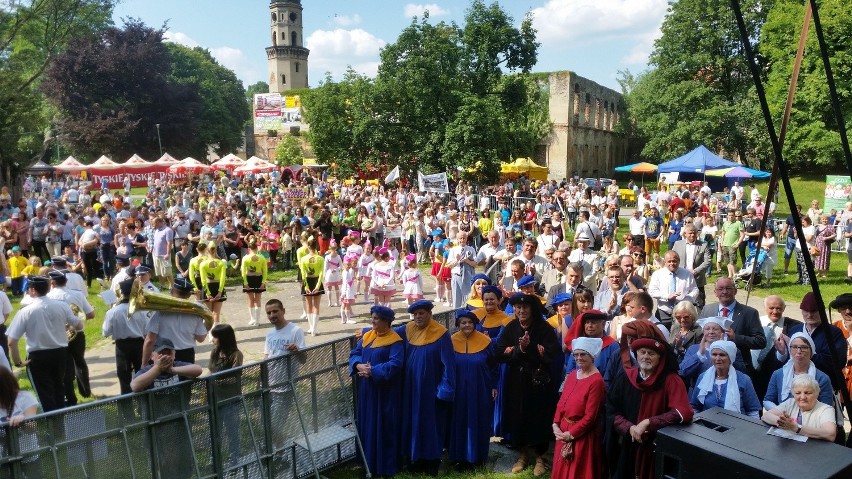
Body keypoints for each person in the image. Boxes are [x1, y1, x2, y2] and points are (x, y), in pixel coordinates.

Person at [606, 337, 693, 479]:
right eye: (642, 352)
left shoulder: (671, 380)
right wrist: (629, 428)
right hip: (628, 445)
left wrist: (649, 422)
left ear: (660, 357)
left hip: (656, 449)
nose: (646, 357)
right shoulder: (626, 377)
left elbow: (683, 412)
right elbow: (611, 409)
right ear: (636, 355)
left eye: (651, 354)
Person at [496, 293, 560, 477]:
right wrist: (519, 350)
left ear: (532, 309)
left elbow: (552, 353)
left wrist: (534, 350)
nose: (521, 311)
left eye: (525, 308)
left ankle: (541, 457)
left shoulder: (544, 328)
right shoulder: (511, 327)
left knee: (539, 416)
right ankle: (523, 454)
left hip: (539, 381)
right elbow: (500, 352)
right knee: (518, 415)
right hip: (516, 380)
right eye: (517, 307)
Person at [393, 299, 454, 476]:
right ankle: (415, 459)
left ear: (429, 314)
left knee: (431, 425)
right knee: (412, 423)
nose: (418, 317)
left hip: (431, 390)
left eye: (422, 313)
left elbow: (448, 365)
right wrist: (368, 331)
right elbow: (388, 332)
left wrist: (445, 390)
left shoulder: (441, 334)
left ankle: (432, 461)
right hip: (411, 388)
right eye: (416, 314)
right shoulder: (407, 329)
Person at [130, 337, 203, 478]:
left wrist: (173, 369)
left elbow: (198, 370)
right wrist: (158, 369)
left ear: (174, 354)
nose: (165, 356)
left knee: (180, 461)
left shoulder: (179, 366)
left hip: (179, 426)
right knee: (160, 464)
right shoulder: (147, 370)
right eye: (161, 354)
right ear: (152, 356)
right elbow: (135, 385)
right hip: (156, 428)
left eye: (168, 353)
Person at [7, 276, 82, 412]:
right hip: (60, 354)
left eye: (29, 288)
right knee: (59, 388)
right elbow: (79, 324)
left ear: (33, 290)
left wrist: (18, 362)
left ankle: (54, 428)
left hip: (38, 356)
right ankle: (60, 424)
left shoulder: (25, 312)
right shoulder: (62, 306)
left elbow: (12, 342)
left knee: (45, 394)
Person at [349, 305, 404, 478]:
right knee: (367, 423)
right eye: (372, 317)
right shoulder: (368, 336)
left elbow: (395, 364)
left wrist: (373, 370)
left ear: (386, 322)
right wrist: (358, 364)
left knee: (384, 425)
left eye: (376, 318)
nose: (372, 321)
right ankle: (368, 462)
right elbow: (355, 353)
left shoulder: (395, 341)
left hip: (384, 392)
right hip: (367, 390)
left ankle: (385, 465)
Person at [551, 337, 606, 479]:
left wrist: (571, 434)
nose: (578, 358)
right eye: (576, 355)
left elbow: (590, 416)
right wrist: (555, 424)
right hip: (563, 431)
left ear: (592, 356)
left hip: (581, 436)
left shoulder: (596, 381)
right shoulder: (571, 376)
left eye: (583, 354)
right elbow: (561, 402)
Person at [448, 310, 495, 470]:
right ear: (458, 325)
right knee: (458, 421)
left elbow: (493, 365)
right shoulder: (451, 342)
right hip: (458, 389)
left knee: (478, 420)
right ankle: (458, 456)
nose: (466, 325)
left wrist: (494, 385)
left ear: (475, 324)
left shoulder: (485, 342)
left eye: (469, 322)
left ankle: (478, 456)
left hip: (480, 388)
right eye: (463, 322)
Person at [46, 270, 95, 405]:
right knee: (80, 362)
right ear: (66, 281)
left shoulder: (48, 297)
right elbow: (91, 314)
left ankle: (70, 396)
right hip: (77, 333)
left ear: (52, 283)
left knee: (65, 366)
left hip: (58, 335)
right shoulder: (77, 294)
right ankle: (86, 392)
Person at [700, 278, 765, 375]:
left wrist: (736, 338)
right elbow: (700, 336)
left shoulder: (749, 313)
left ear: (735, 291)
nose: (725, 292)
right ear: (715, 292)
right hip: (710, 367)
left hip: (739, 368)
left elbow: (761, 341)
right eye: (721, 289)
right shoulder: (707, 310)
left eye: (728, 288)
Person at [141, 278, 209, 365]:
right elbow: (201, 338)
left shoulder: (160, 312)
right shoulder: (196, 313)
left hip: (164, 354)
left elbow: (150, 340)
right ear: (188, 295)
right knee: (186, 378)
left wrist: (143, 364)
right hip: (187, 355)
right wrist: (208, 325)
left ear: (171, 291)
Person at [690, 340, 760, 417]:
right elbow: (695, 407)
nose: (718, 358)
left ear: (730, 357)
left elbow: (753, 411)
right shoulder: (703, 377)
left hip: (738, 426)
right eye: (714, 354)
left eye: (722, 355)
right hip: (707, 426)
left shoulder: (744, 380)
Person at [763, 332, 834, 410]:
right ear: (790, 350)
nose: (799, 351)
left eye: (804, 347)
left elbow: (826, 407)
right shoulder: (778, 374)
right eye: (795, 347)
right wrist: (780, 412)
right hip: (782, 418)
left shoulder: (822, 378)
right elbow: (767, 400)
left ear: (811, 351)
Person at [751, 295, 802, 401]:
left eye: (778, 308)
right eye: (771, 308)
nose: (775, 311)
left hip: (779, 375)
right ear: (765, 308)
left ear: (784, 308)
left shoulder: (794, 326)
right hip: (755, 374)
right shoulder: (756, 323)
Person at [102, 278, 148, 394]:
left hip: (122, 346)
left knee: (124, 377)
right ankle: (144, 401)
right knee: (142, 374)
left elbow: (105, 332)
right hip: (139, 344)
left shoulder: (112, 312)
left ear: (121, 293)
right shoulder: (142, 310)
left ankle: (127, 404)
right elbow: (147, 330)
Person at [208, 323, 244, 468]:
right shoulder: (214, 352)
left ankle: (234, 458)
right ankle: (214, 459)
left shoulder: (236, 355)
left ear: (223, 338)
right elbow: (210, 371)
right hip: (215, 397)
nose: (212, 340)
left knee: (232, 430)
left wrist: (216, 380)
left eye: (215, 337)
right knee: (215, 430)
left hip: (230, 398)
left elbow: (235, 377)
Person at [762, 374, 836, 442]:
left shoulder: (826, 409)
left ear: (817, 393)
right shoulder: (790, 402)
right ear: (793, 394)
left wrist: (796, 428)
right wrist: (783, 422)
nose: (803, 397)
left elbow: (830, 434)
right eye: (798, 393)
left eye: (807, 393)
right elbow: (766, 416)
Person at [0, 367, 40, 478]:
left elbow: (32, 427)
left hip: (27, 454)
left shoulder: (25, 398)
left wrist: (23, 420)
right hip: (3, 459)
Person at [648, 250, 698, 324]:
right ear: (665, 262)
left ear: (679, 261)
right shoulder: (657, 274)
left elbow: (695, 290)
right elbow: (652, 291)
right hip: (663, 313)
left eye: (674, 261)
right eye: (669, 261)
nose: (672, 263)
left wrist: (686, 299)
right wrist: (667, 296)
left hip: (683, 314)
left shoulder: (687, 274)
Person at [671, 224, 712, 308]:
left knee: (699, 304)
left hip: (697, 278)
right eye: (690, 233)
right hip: (680, 277)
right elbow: (672, 257)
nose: (692, 235)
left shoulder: (703, 245)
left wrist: (695, 271)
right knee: (679, 304)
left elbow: (708, 260)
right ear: (685, 234)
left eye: (694, 233)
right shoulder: (677, 244)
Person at [298, 236, 325, 336]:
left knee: (309, 305)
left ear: (308, 247)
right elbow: (322, 274)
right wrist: (318, 286)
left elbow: (303, 274)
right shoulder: (321, 259)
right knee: (316, 305)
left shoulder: (304, 259)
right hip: (317, 280)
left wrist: (306, 286)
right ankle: (314, 328)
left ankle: (311, 327)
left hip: (307, 281)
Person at [829, 293, 852, 404]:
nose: (848, 311)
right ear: (838, 310)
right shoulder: (833, 328)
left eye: (851, 307)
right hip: (838, 381)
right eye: (844, 308)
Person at [200, 242, 227, 331]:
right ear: (215, 250)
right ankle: (216, 333)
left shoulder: (203, 264)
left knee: (209, 313)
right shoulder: (221, 263)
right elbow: (223, 278)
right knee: (217, 313)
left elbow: (203, 280)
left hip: (208, 286)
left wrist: (207, 293)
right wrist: (220, 291)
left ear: (207, 251)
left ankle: (211, 333)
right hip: (218, 286)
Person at [240, 235, 267, 327]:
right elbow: (265, 271)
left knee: (250, 299)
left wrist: (245, 282)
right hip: (259, 278)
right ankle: (257, 320)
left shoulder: (245, 258)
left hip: (249, 278)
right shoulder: (262, 258)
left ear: (249, 248)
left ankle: (253, 319)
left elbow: (243, 272)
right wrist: (263, 282)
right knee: (258, 299)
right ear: (257, 248)